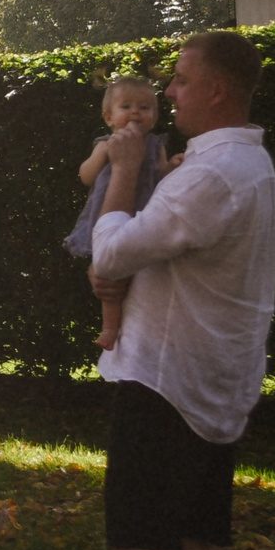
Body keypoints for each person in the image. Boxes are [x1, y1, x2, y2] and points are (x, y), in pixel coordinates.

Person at [86, 32, 275, 550]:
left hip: (166, 377)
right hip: (214, 381)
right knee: (200, 537)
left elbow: (111, 253)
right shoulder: (242, 164)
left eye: (181, 80)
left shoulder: (214, 175)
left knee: (144, 539)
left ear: (219, 91)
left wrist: (124, 174)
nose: (168, 93)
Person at [66, 76, 174, 351]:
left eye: (145, 107)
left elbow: (162, 177)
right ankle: (110, 327)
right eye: (126, 106)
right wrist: (103, 157)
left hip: (144, 216)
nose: (136, 112)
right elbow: (86, 176)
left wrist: (173, 165)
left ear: (155, 116)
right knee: (110, 275)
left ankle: (139, 329)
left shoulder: (156, 145)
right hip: (107, 216)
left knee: (141, 274)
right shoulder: (105, 144)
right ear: (109, 118)